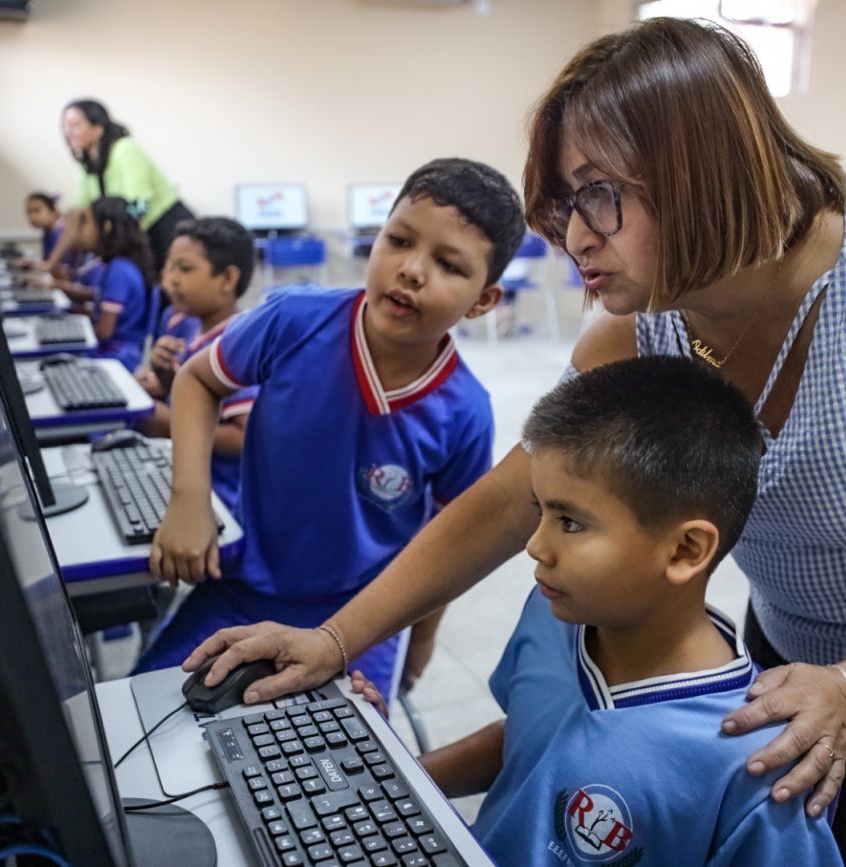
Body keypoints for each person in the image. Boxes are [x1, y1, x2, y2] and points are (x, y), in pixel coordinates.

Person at [180, 20, 846, 867]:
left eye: (598, 197)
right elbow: (512, 497)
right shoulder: (642, 323)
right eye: (563, 208)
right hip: (795, 649)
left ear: (704, 168)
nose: (574, 238)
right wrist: (336, 638)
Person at [354, 355, 842, 866]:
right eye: (540, 511)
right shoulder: (554, 615)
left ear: (685, 550)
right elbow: (526, 745)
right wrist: (391, 777)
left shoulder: (761, 763)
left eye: (570, 522)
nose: (536, 547)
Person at [139, 158, 527, 703]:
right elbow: (197, 380)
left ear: (483, 301)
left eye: (448, 264)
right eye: (399, 240)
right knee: (141, 711)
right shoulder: (293, 319)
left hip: (359, 620)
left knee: (338, 750)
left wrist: (420, 642)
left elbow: (450, 540)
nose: (411, 270)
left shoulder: (465, 412)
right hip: (238, 587)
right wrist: (189, 500)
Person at [136, 217, 258, 512]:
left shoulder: (237, 344)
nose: (172, 279)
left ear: (228, 279)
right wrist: (165, 379)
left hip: (217, 493)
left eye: (185, 268)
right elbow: (197, 397)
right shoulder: (183, 322)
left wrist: (169, 421)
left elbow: (243, 437)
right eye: (169, 267)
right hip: (178, 466)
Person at [43, 99, 194, 272]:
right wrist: (50, 264)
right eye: (66, 126)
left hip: (165, 229)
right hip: (136, 237)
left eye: (75, 125)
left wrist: (108, 253)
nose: (68, 132)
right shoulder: (87, 163)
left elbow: (139, 207)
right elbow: (77, 215)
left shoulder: (126, 149)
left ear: (98, 127)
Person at [62, 196, 153, 371]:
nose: (80, 230)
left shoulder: (119, 271)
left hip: (118, 356)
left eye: (85, 223)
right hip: (117, 350)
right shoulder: (118, 265)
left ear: (106, 227)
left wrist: (69, 330)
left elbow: (104, 332)